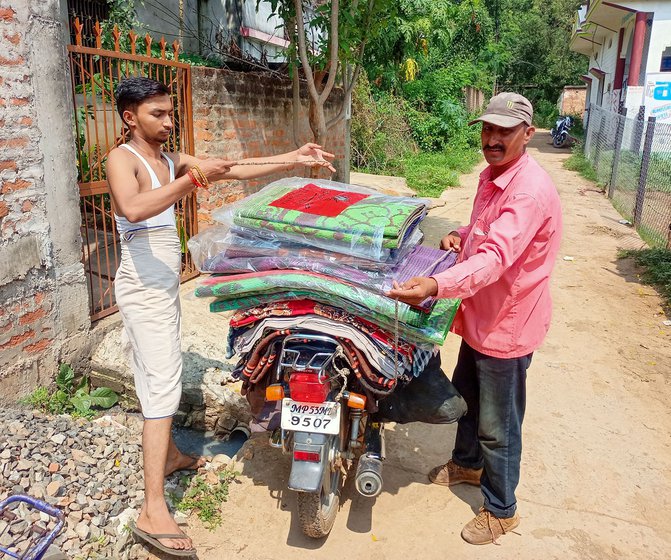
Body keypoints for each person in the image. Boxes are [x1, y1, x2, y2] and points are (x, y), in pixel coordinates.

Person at [106, 76, 335, 557]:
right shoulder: (122, 159)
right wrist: (191, 179)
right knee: (163, 390)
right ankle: (152, 509)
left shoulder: (169, 158)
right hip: (141, 289)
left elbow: (232, 168)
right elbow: (133, 206)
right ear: (130, 118)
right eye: (157, 115)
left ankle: (168, 457)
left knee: (158, 376)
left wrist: (294, 158)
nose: (169, 123)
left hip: (162, 288)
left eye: (171, 113)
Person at [388, 92, 563, 545]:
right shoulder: (495, 176)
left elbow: (496, 257)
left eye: (503, 130)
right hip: (481, 318)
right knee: (466, 397)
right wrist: (458, 234)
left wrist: (435, 286)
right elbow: (486, 231)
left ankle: (502, 509)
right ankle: (466, 464)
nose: (492, 138)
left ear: (528, 133)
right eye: (487, 129)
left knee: (499, 425)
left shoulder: (528, 190)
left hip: (508, 325)